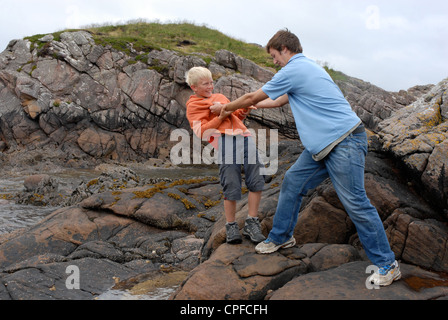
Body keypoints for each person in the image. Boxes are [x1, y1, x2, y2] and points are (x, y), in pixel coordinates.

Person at [218, 29, 400, 287]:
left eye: (273, 56)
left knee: (356, 202)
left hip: (344, 141)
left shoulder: (295, 68)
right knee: (292, 181)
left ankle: (387, 265)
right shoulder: (305, 69)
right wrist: (254, 106)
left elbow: (250, 96)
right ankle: (281, 237)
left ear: (284, 48)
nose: (273, 62)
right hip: (323, 147)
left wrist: (226, 107)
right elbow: (279, 100)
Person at [185, 66, 266, 244]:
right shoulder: (193, 106)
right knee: (231, 183)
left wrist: (244, 109)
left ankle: (252, 223)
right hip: (224, 142)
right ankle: (231, 226)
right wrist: (222, 114)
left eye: (211, 82)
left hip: (244, 137)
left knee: (257, 178)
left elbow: (236, 116)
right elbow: (202, 132)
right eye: (205, 84)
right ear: (194, 87)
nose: (210, 86)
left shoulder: (220, 98)